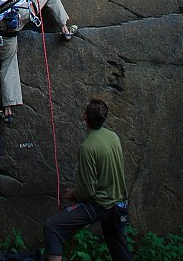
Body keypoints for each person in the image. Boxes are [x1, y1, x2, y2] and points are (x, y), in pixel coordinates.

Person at [43, 98, 132, 261]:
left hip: (100, 205)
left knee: (52, 226)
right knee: (120, 252)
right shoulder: (113, 137)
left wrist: (73, 194)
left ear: (84, 116)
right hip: (118, 205)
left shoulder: (87, 148)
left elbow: (88, 191)